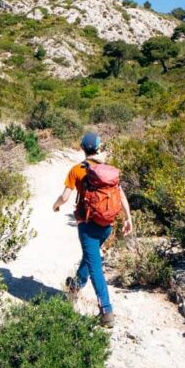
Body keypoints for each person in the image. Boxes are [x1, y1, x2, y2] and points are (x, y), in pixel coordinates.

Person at [52, 132, 133, 327]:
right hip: (107, 225)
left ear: (82, 148)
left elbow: (64, 197)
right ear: (98, 148)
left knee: (95, 266)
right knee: (91, 257)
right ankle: (75, 285)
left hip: (87, 225)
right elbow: (120, 196)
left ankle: (106, 311)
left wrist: (55, 206)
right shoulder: (108, 171)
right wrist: (128, 218)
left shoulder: (76, 170)